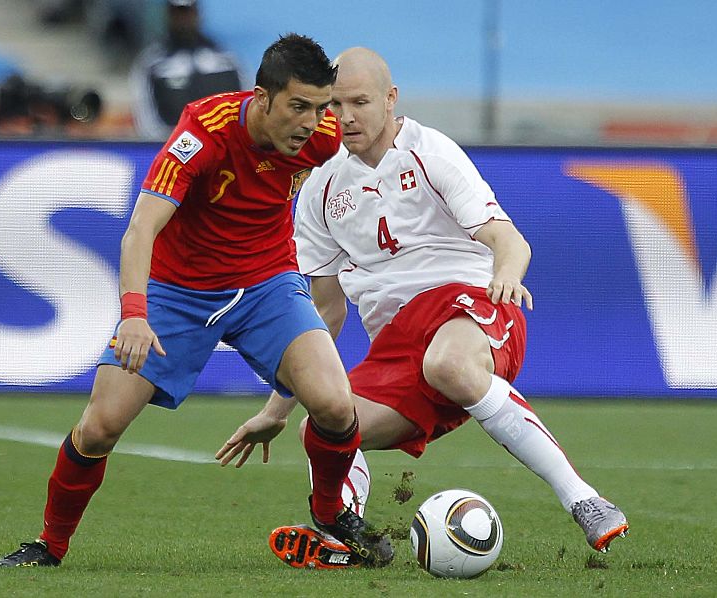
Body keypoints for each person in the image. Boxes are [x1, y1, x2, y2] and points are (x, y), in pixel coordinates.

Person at [217, 47, 629, 569]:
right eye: (334, 106)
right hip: (399, 348)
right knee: (323, 427)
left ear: (390, 99)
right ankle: (350, 535)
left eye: (360, 102)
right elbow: (322, 314)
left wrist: (505, 275)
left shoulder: (430, 152)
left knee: (449, 363)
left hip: (471, 308)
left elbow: (510, 241)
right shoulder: (320, 186)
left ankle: (585, 500)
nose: (345, 118)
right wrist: (276, 410)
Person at [0, 34, 393, 569]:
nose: (311, 122)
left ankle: (328, 515)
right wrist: (134, 315)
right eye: (298, 106)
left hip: (266, 284)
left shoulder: (321, 135)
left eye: (321, 108)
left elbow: (389, 136)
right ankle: (49, 545)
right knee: (100, 427)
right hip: (177, 293)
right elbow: (139, 231)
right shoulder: (202, 132)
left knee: (335, 403)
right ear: (263, 97)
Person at [130, 0, 242, 140]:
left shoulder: (225, 58)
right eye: (177, 13)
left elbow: (244, 101)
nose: (183, 20)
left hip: (224, 145)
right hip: (174, 148)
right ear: (168, 16)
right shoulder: (152, 63)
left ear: (197, 14)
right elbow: (145, 116)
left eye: (187, 12)